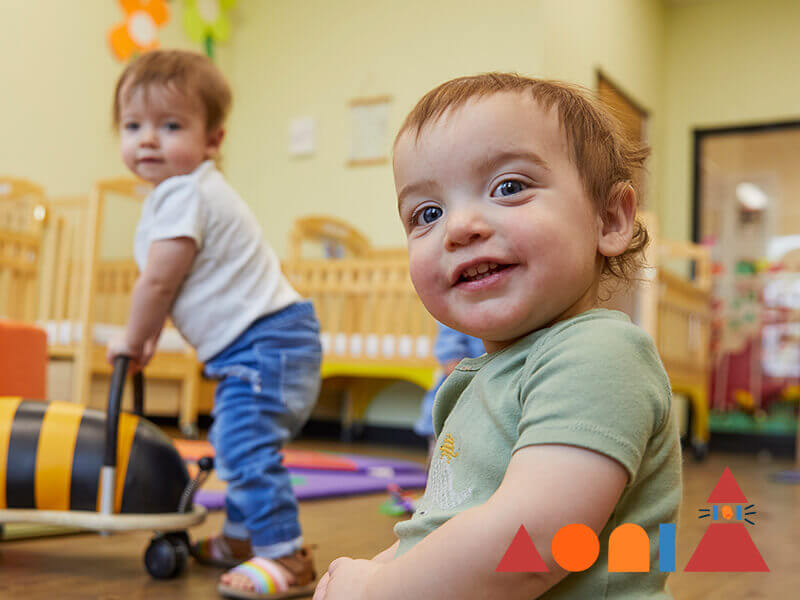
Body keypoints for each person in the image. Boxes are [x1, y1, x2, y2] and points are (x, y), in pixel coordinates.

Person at [313, 73, 682, 599]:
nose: (459, 227)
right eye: (428, 214)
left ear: (609, 219)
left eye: (508, 187)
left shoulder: (600, 355)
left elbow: (531, 544)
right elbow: (442, 525)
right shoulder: (480, 379)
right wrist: (376, 570)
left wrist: (380, 589)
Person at [107, 49, 321, 599]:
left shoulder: (184, 193)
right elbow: (172, 287)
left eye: (170, 125)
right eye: (133, 126)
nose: (148, 140)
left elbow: (158, 283)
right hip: (268, 343)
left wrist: (132, 337)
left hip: (267, 342)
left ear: (212, 140)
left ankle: (285, 555)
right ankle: (240, 538)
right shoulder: (181, 194)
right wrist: (152, 335)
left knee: (245, 447)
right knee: (233, 440)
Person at [414, 323, 484, 466]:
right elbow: (450, 356)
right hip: (461, 387)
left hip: (482, 387)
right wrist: (453, 363)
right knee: (442, 453)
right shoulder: (457, 319)